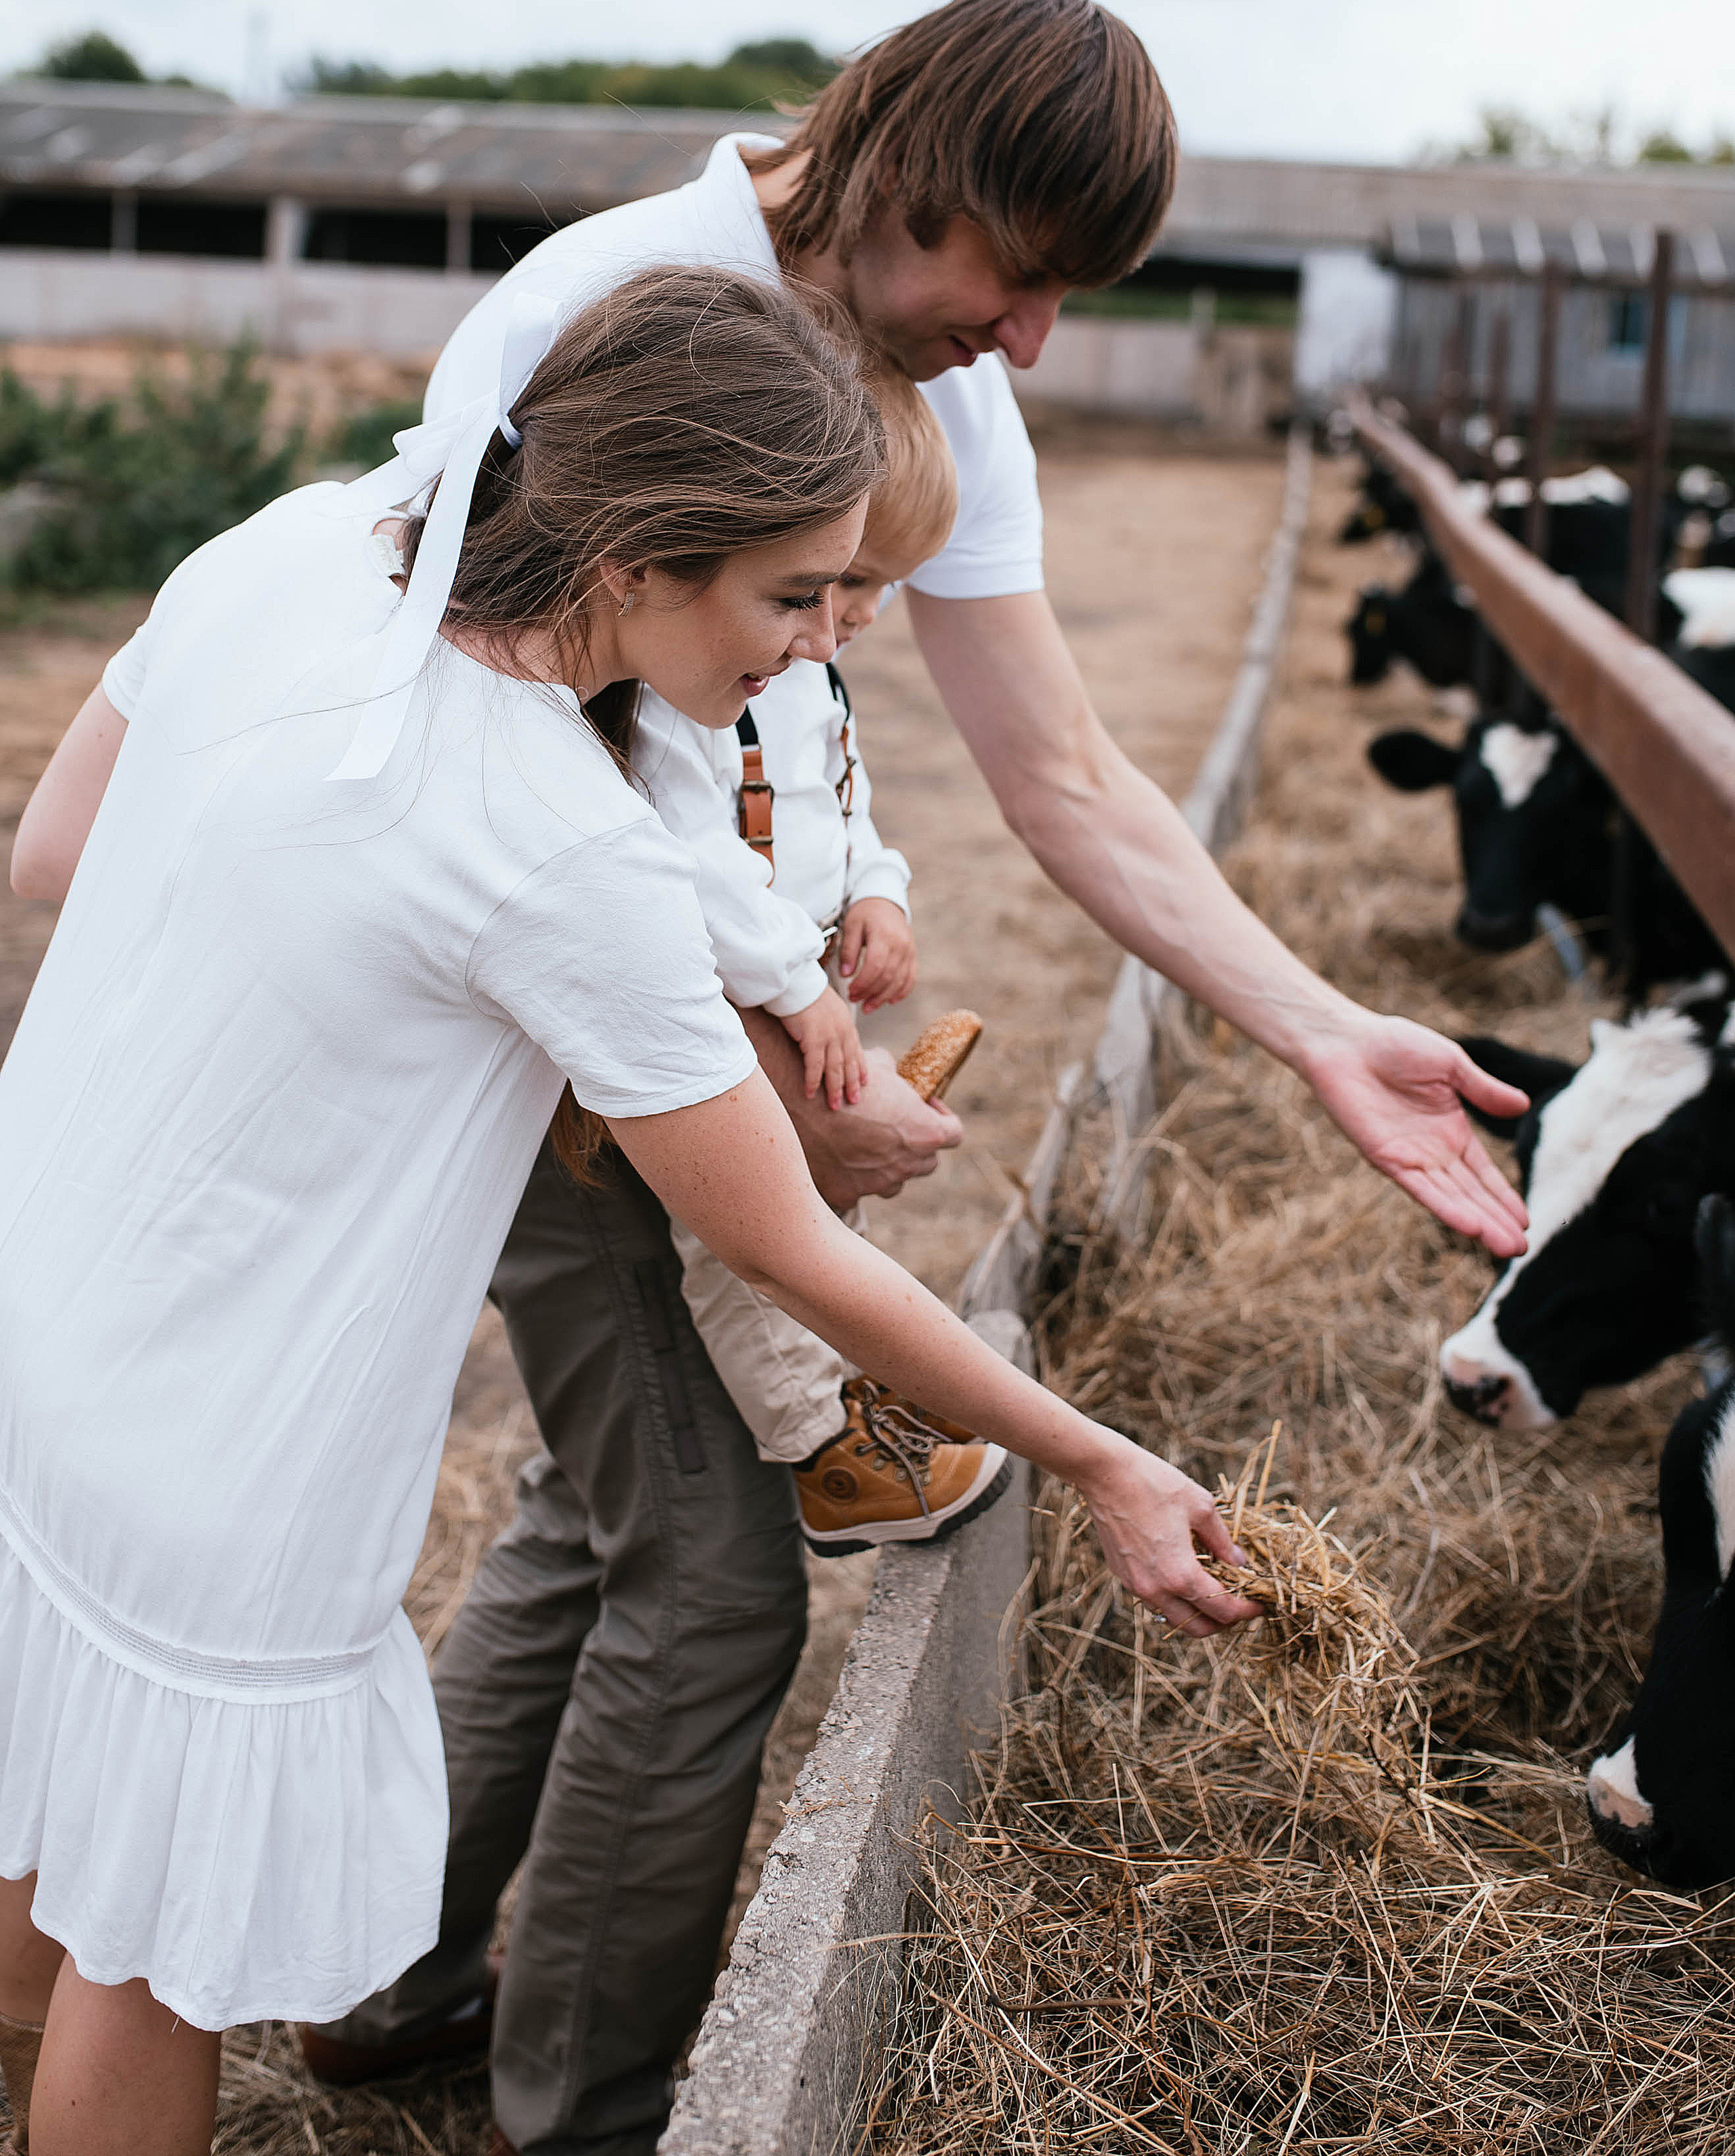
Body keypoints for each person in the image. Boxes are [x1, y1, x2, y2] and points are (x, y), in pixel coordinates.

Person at [308, 0, 1528, 2156]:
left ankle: (388, 1973)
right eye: (1018, 275)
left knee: (605, 1507)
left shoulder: (933, 399)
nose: (1035, 339)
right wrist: (765, 1015)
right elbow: (498, 722)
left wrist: (1320, 1025)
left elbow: (1053, 765)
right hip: (541, 1044)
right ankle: (576, 2107)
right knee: (710, 1573)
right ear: (901, 167)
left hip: (694, 1040)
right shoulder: (603, 309)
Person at [0, 264, 1260, 2156]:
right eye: (787, 596)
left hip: (52, 1301)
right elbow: (786, 1244)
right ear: (647, 556)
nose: (817, 646)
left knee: (47, 1821)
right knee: (149, 1959)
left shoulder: (302, 543)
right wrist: (1098, 1460)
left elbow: (58, 852)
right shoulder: (565, 850)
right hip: (235, 1443)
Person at [636, 370, 1002, 1554]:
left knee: (826, 1210)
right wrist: (794, 989)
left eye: (880, 584)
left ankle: (867, 1393)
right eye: (840, 583)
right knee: (740, 1238)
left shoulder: (815, 680)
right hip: (721, 1007)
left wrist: (879, 892)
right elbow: (685, 853)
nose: (858, 615)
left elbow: (844, 809)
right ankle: (822, 1448)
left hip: (806, 997)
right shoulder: (695, 690)